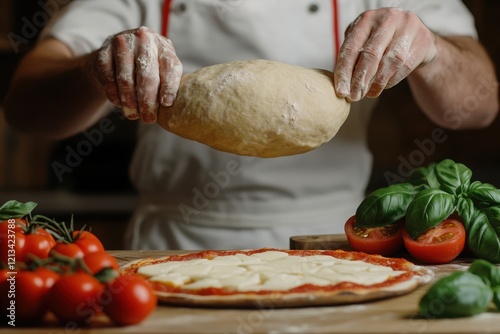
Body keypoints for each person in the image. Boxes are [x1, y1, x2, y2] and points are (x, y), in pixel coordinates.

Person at [4, 1, 498, 250]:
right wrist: (97, 68)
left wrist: (430, 48)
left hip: (335, 243)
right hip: (173, 245)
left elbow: (481, 104)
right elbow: (25, 107)